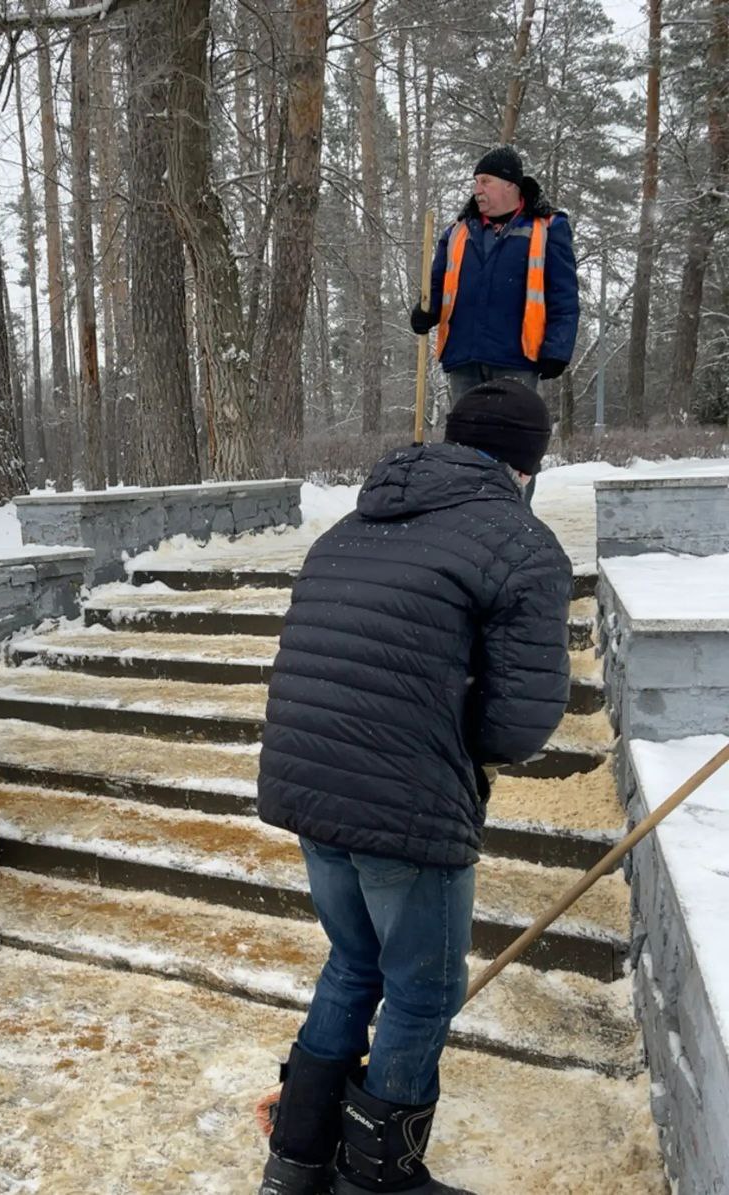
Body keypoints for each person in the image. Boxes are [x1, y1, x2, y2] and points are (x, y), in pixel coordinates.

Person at [255, 381, 572, 1195]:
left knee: (353, 963)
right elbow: (520, 723)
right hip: (405, 798)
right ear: (527, 462)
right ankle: (376, 1178)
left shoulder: (351, 525)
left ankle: (295, 1162)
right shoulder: (520, 541)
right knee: (424, 990)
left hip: (312, 783)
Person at [411, 146, 580, 502]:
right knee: (464, 450)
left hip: (516, 356)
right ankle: (466, 520)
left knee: (515, 450)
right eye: (475, 182)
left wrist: (557, 348)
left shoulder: (546, 228)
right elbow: (439, 288)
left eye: (485, 181)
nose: (477, 189)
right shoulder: (456, 232)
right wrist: (426, 312)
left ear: (510, 185)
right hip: (464, 357)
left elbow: (563, 295)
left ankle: (515, 521)